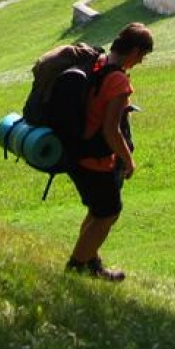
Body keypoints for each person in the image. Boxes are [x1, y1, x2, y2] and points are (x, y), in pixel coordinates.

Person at [64, 22, 155, 282]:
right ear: (135, 50)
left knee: (97, 210)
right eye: (142, 56)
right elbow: (111, 130)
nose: (140, 62)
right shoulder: (117, 80)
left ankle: (91, 263)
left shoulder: (99, 62)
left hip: (76, 152)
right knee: (108, 213)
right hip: (97, 159)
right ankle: (75, 268)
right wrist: (129, 160)